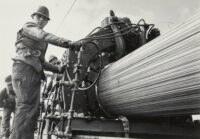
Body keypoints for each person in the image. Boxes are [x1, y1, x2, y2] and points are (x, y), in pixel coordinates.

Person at [10, 5, 81, 139]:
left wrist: (58, 69)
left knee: (32, 110)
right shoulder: (29, 26)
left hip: (33, 72)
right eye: (39, 16)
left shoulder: (42, 43)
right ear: (33, 17)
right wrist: (68, 43)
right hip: (24, 69)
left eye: (45, 19)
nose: (41, 20)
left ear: (47, 21)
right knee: (25, 107)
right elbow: (43, 35)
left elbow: (42, 62)